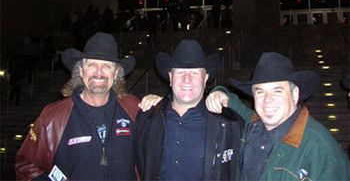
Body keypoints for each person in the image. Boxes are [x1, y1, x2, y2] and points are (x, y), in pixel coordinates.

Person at [206, 52, 350, 181]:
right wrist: (220, 91)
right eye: (260, 92)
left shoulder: (323, 151)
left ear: (295, 95)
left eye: (277, 91)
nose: (267, 100)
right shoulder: (253, 124)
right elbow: (233, 104)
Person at [15, 32, 140, 181]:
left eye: (106, 66)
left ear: (116, 73)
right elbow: (26, 166)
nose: (99, 72)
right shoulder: (54, 116)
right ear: (81, 71)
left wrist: (160, 103)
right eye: (92, 64)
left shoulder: (134, 109)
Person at [135, 39, 243, 181]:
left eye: (194, 73)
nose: (187, 79)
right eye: (180, 72)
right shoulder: (148, 118)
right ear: (170, 77)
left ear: (206, 79)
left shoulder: (229, 123)